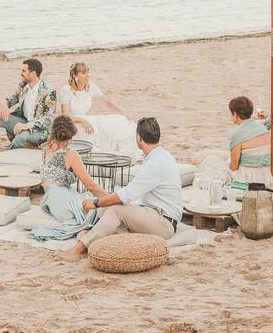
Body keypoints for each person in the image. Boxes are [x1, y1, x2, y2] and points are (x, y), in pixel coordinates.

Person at [59, 117, 182, 261]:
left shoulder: (154, 165)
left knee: (115, 209)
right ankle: (93, 235)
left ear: (139, 138)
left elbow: (126, 195)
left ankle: (80, 248)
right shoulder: (162, 156)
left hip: (163, 223)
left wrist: (96, 202)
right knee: (110, 208)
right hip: (154, 214)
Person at [28, 115, 108, 242]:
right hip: (62, 201)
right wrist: (112, 198)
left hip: (49, 201)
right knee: (99, 207)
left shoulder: (46, 148)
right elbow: (91, 185)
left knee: (86, 198)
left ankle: (84, 229)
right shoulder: (70, 154)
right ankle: (83, 230)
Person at [0, 58, 57, 159]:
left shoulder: (49, 91)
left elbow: (48, 118)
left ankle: (4, 157)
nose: (20, 73)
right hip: (23, 121)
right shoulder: (23, 85)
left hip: (40, 131)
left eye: (23, 71)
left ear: (33, 73)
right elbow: (13, 98)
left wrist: (28, 126)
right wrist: (4, 102)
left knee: (21, 137)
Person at [58, 62, 136, 156]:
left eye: (88, 72)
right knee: (91, 123)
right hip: (72, 123)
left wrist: (123, 112)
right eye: (83, 73)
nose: (87, 75)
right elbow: (65, 116)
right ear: (74, 75)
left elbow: (107, 102)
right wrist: (82, 121)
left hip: (87, 120)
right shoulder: (66, 90)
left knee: (118, 120)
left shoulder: (91, 86)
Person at [227, 96, 273, 188]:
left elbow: (234, 166)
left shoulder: (237, 134)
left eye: (231, 114)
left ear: (235, 114)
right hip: (266, 175)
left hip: (249, 178)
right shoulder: (262, 127)